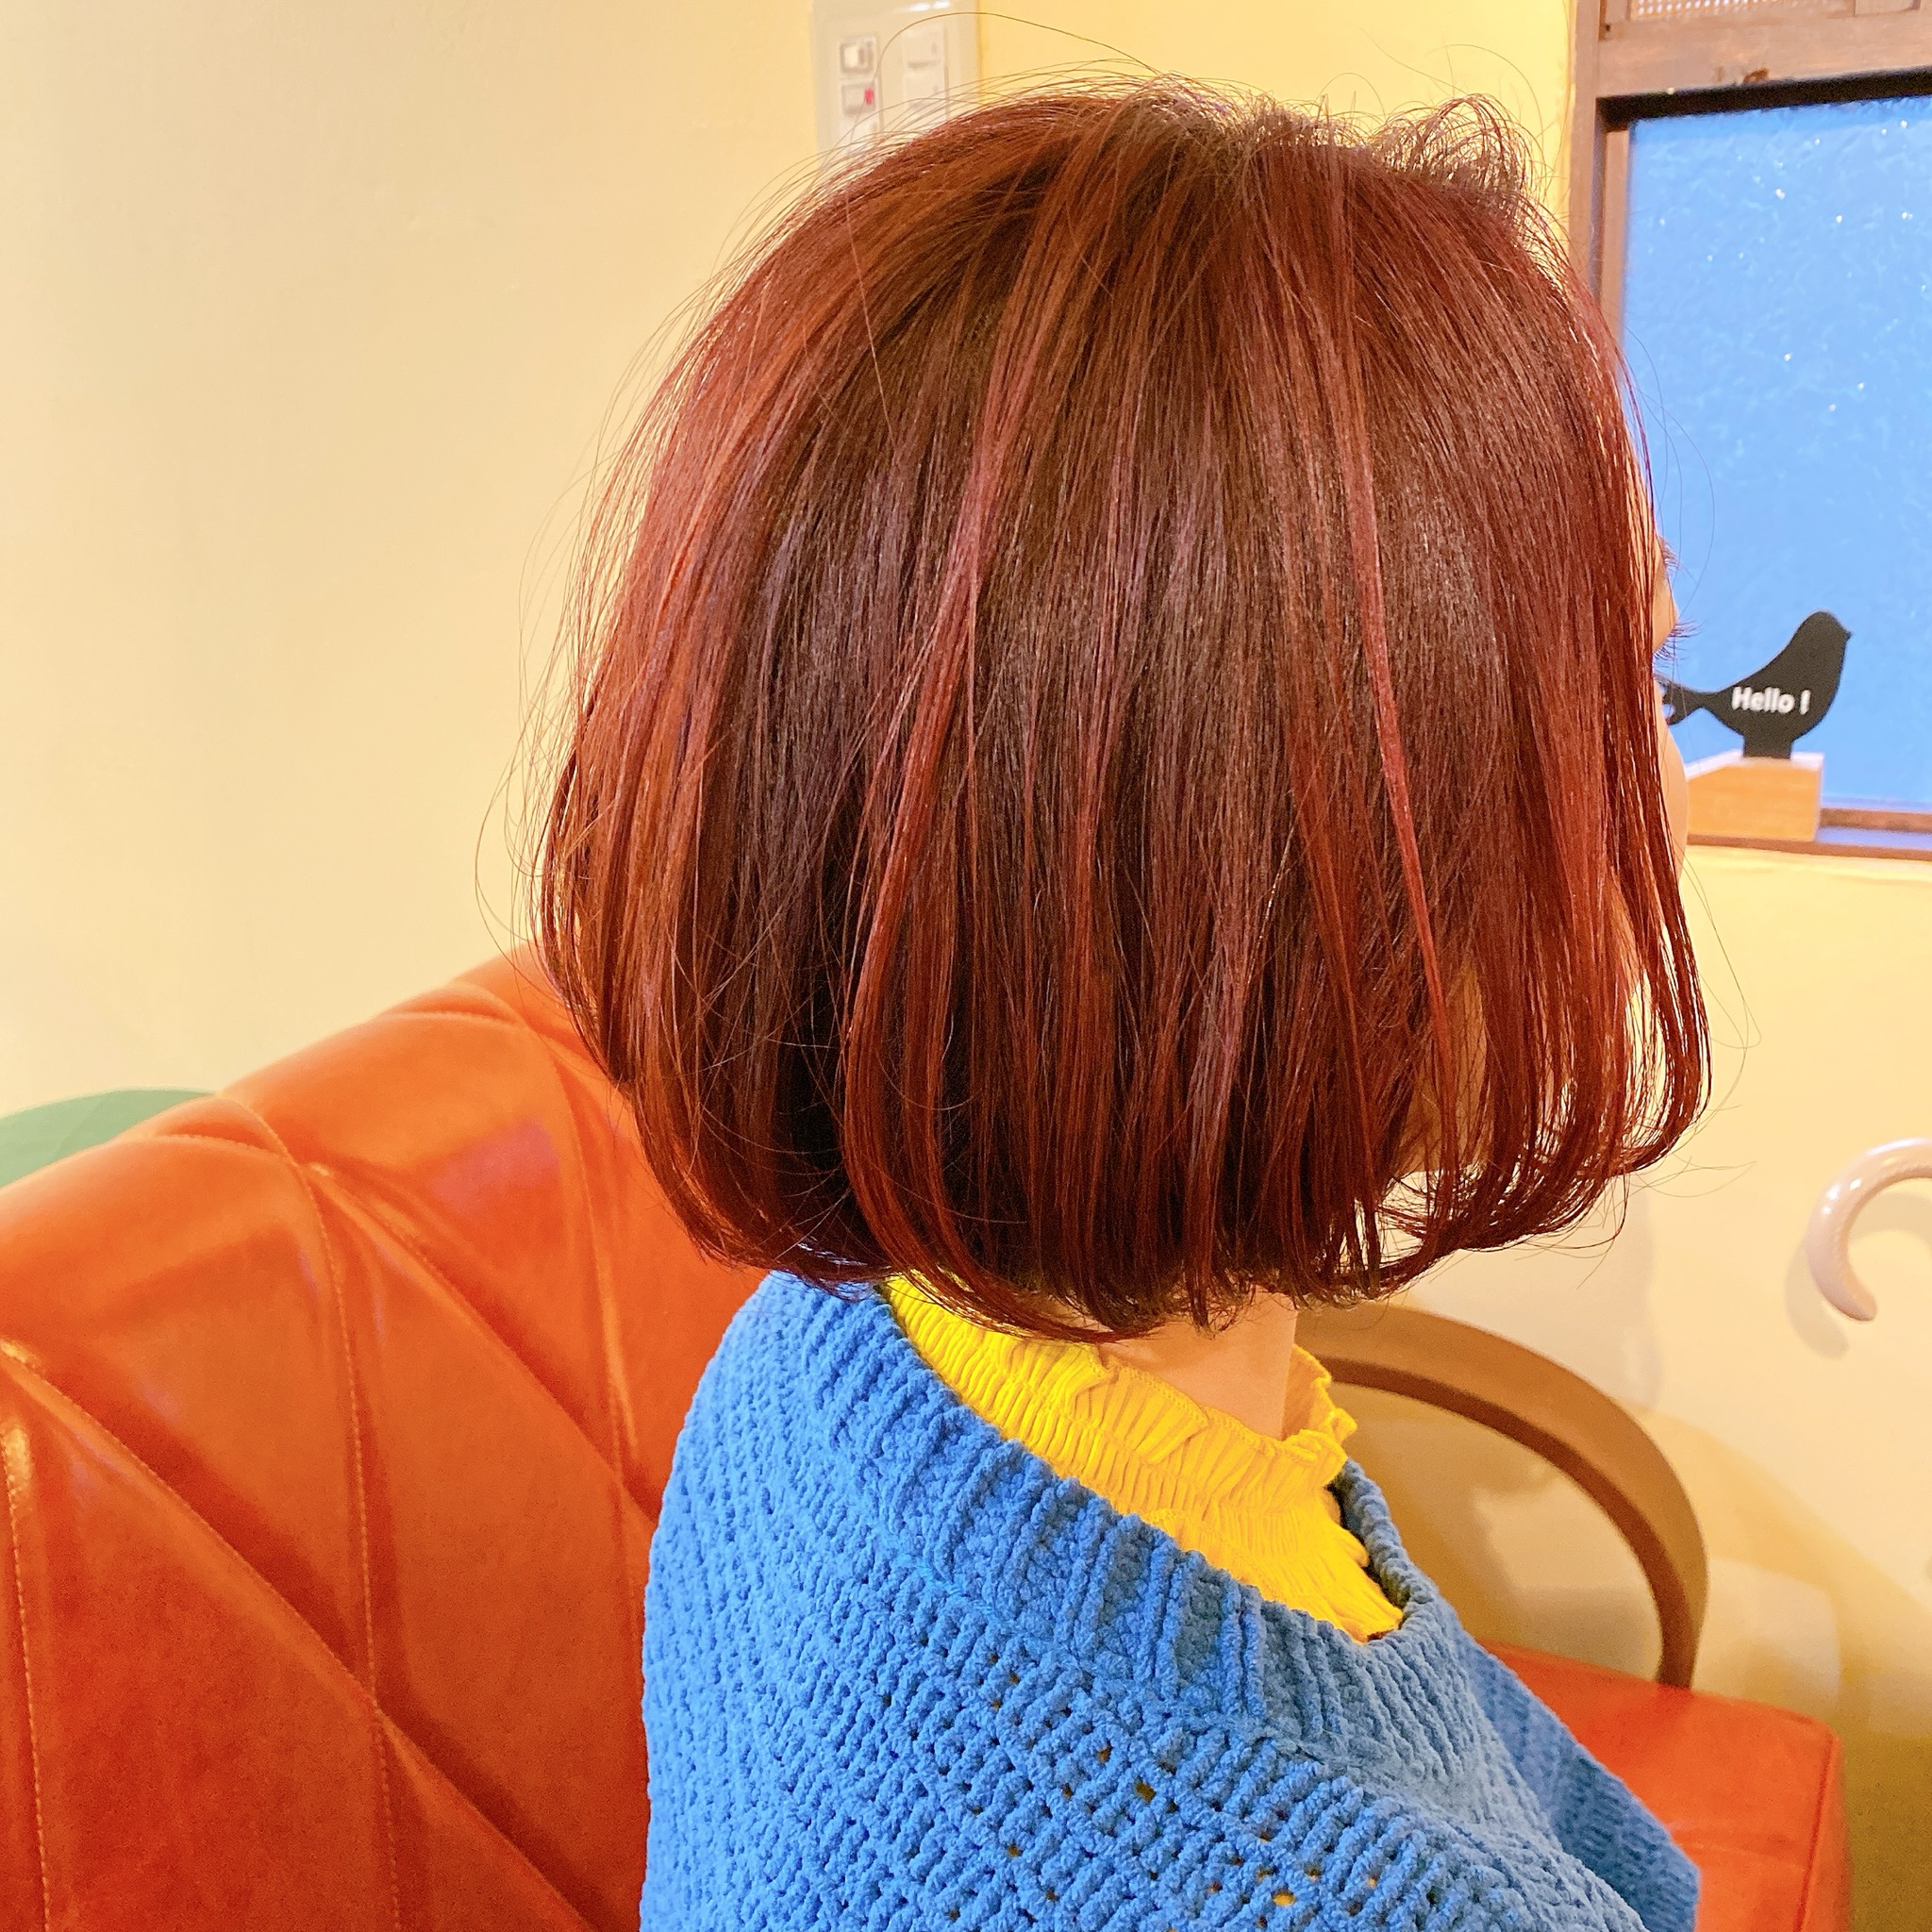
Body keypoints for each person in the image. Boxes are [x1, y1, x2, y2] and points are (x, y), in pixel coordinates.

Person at [537, 78, 1707, 1932]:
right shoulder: (1364, 1895)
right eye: (1631, 693)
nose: (1660, 801)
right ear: (1287, 865)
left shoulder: (821, 1345)